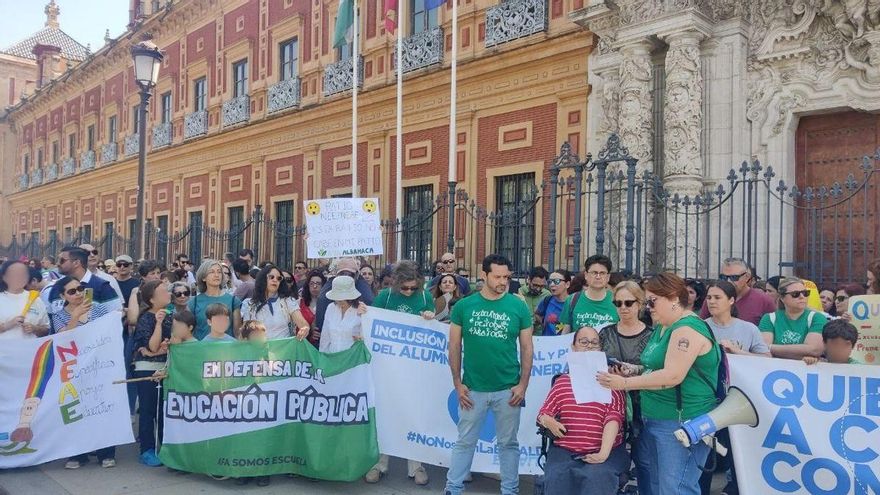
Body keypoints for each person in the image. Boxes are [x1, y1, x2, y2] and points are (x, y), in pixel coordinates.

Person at [597, 272, 722, 495]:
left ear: (673, 299)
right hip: (657, 418)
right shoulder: (664, 326)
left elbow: (673, 376)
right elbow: (656, 366)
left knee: (676, 488)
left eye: (652, 301)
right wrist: (634, 369)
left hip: (681, 421)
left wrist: (625, 383)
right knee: (655, 485)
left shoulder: (687, 329)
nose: (648, 307)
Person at [445, 254, 533, 495]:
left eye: (506, 276)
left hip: (508, 389)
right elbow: (454, 346)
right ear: (483, 275)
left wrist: (523, 385)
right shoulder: (464, 306)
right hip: (473, 389)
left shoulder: (518, 307)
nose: (503, 281)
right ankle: (452, 488)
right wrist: (457, 383)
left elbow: (527, 347)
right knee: (465, 442)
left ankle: (510, 490)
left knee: (508, 443)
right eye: (497, 276)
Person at [538, 326, 629, 495]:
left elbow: (613, 418)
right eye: (583, 342)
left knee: (597, 478)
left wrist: (603, 453)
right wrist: (548, 421)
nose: (589, 346)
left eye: (594, 343)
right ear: (573, 348)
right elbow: (544, 413)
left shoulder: (611, 382)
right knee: (558, 477)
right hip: (566, 449)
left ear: (600, 349)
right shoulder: (562, 382)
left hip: (606, 449)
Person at [365, 260, 433, 485]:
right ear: (396, 283)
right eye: (404, 288)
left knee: (414, 413)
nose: (409, 292)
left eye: (413, 288)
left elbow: (433, 329)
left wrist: (429, 318)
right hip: (388, 368)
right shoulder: (385, 297)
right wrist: (366, 313)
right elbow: (373, 321)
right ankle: (380, 463)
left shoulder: (425, 297)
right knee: (386, 413)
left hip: (416, 370)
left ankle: (416, 465)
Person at [53, 275, 118, 469]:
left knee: (102, 406)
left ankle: (106, 452)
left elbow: (108, 331)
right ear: (62, 295)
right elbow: (62, 338)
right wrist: (75, 317)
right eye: (72, 291)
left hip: (99, 365)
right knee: (76, 410)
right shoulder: (59, 315)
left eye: (80, 289)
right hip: (73, 368)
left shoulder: (97, 308)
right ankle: (77, 453)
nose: (78, 294)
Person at [598, 280, 651, 490]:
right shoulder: (606, 333)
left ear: (639, 304)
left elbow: (658, 369)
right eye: (618, 303)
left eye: (628, 303)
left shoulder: (651, 335)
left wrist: (634, 371)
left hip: (642, 405)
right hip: (610, 405)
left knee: (645, 461)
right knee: (612, 461)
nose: (623, 308)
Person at [131, 280, 173, 467]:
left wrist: (161, 349)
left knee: (164, 411)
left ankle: (165, 447)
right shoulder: (146, 318)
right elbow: (152, 346)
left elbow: (175, 342)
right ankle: (147, 449)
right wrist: (158, 324)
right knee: (148, 410)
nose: (168, 293)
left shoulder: (173, 316)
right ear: (151, 298)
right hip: (147, 370)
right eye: (163, 291)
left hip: (167, 368)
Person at [44, 247, 123, 333]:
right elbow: (50, 323)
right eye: (71, 292)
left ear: (76, 263)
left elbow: (115, 318)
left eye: (62, 260)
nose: (57, 264)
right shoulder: (56, 287)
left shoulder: (102, 286)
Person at [759, 277, 826, 360]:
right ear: (782, 298)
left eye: (805, 293)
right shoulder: (769, 318)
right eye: (795, 294)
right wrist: (802, 352)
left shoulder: (817, 318)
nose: (802, 297)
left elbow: (814, 350)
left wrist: (772, 348)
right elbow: (763, 351)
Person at [699, 258, 775, 326]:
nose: (728, 281)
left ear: (747, 277)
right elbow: (701, 326)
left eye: (734, 277)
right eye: (723, 277)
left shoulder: (764, 300)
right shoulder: (713, 298)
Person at [241, 265, 309, 341]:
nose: (275, 280)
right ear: (263, 278)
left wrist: (305, 329)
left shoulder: (288, 301)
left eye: (279, 278)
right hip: (259, 350)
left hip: (284, 350)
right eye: (271, 277)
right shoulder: (250, 304)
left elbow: (303, 324)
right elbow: (245, 334)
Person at [705, 281, 771, 357]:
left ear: (731, 300)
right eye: (709, 298)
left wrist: (737, 351)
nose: (711, 302)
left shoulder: (749, 329)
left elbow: (767, 357)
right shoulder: (701, 327)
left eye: (717, 297)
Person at [314, 258, 375, 338]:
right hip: (332, 347)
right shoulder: (330, 307)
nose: (346, 277)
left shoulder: (364, 303)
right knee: (322, 298)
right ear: (337, 275)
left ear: (356, 275)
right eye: (342, 274)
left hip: (353, 347)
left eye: (350, 274)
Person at [559, 254, 619, 333]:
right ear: (586, 275)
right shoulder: (572, 300)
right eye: (594, 273)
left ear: (608, 277)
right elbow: (566, 331)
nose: (598, 277)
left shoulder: (617, 300)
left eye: (602, 273)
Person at [188, 260, 242, 340]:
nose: (216, 275)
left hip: (226, 350)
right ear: (203, 277)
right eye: (212, 272)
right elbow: (188, 332)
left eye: (219, 272)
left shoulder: (233, 301)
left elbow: (237, 333)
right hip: (202, 350)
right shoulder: (194, 302)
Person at [0, 260, 50, 339]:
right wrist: (7, 325)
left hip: (29, 350)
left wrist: (35, 328)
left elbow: (46, 330)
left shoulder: (36, 299)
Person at [319, 275, 368, 353]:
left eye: (344, 299)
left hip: (352, 360)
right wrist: (322, 357)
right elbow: (325, 337)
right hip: (332, 358)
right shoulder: (330, 308)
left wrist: (362, 339)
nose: (340, 301)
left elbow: (367, 338)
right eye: (338, 298)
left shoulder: (362, 309)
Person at [534, 270, 572, 336]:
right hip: (547, 343)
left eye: (556, 281)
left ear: (567, 284)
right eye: (550, 281)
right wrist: (543, 321)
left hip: (565, 343)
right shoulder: (547, 300)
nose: (552, 285)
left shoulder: (573, 302)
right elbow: (537, 313)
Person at [299, 270, 326, 346]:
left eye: (318, 283)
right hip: (303, 344)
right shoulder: (299, 303)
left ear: (323, 285)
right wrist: (310, 332)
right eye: (312, 283)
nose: (314, 286)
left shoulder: (329, 304)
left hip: (322, 345)